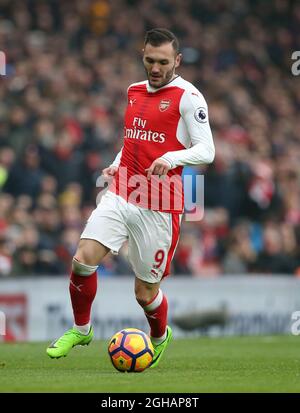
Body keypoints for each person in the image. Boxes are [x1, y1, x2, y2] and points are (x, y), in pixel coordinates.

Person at [46, 28, 215, 368]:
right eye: (150, 60)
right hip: (123, 191)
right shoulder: (134, 91)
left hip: (160, 203)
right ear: (143, 56)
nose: (156, 68)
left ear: (177, 60)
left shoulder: (188, 97)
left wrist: (172, 158)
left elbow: (207, 150)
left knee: (145, 293)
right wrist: (115, 163)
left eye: (163, 62)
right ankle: (81, 329)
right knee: (82, 258)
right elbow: (134, 139)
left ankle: (159, 335)